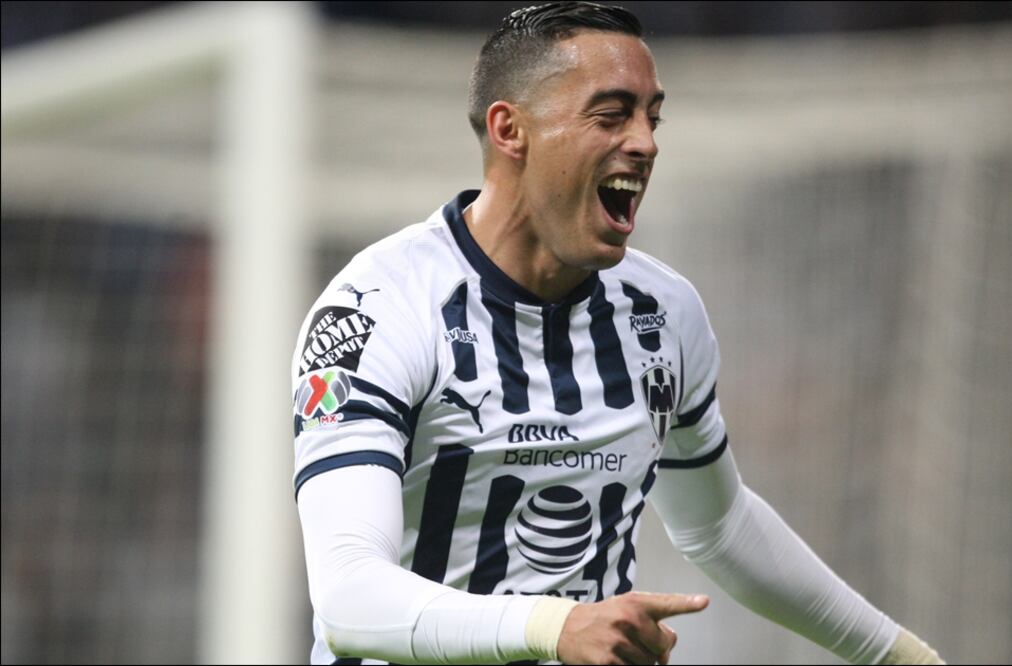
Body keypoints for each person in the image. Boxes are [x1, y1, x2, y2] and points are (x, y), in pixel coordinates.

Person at [292, 3, 945, 664]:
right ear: (509, 129)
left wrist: (897, 655)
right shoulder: (375, 310)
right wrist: (554, 626)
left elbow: (720, 527)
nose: (645, 141)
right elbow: (348, 598)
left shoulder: (660, 314)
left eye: (650, 116)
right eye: (610, 114)